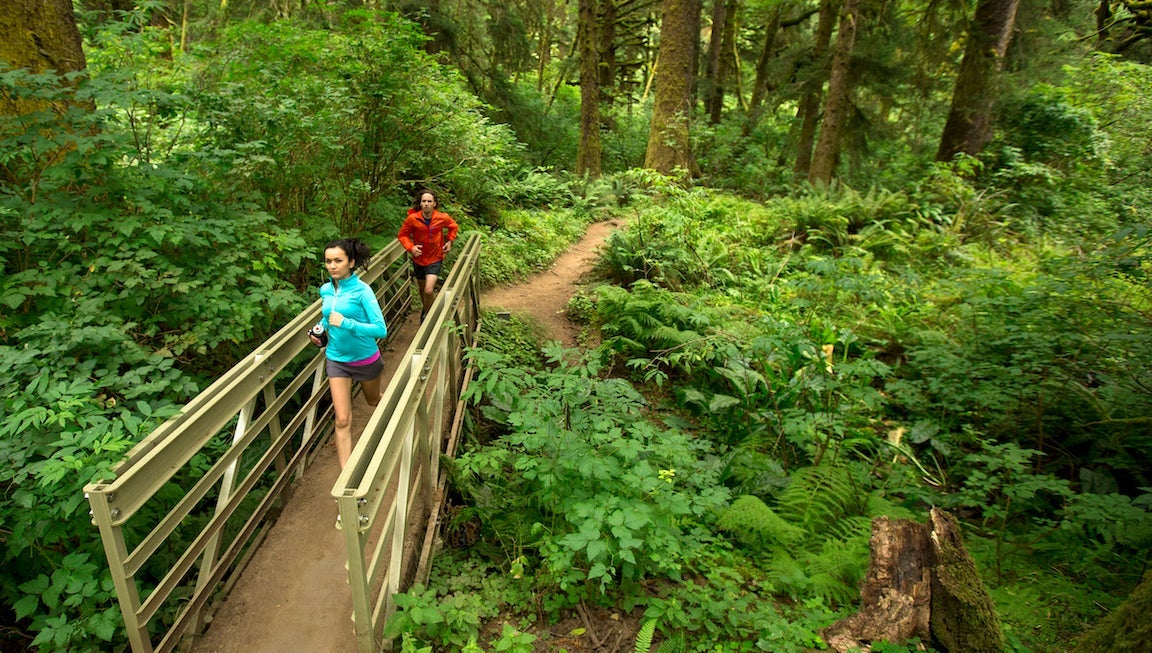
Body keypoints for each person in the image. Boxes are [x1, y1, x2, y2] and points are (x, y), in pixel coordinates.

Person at [309, 238, 388, 470]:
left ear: (351, 262)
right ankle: (347, 477)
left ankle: (395, 413)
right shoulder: (325, 289)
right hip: (336, 359)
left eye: (338, 261)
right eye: (328, 262)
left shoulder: (363, 291)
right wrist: (320, 330)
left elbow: (380, 330)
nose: (332, 266)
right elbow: (328, 316)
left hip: (365, 359)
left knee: (373, 401)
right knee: (342, 419)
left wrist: (347, 323)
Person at [397, 190, 458, 322]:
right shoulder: (412, 219)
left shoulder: (442, 218)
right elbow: (402, 235)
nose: (426, 204)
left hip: (435, 258)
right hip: (418, 259)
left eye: (429, 201)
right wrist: (411, 247)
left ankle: (431, 318)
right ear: (420, 203)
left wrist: (449, 241)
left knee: (429, 290)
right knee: (421, 288)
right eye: (424, 201)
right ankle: (426, 310)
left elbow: (453, 226)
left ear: (434, 204)